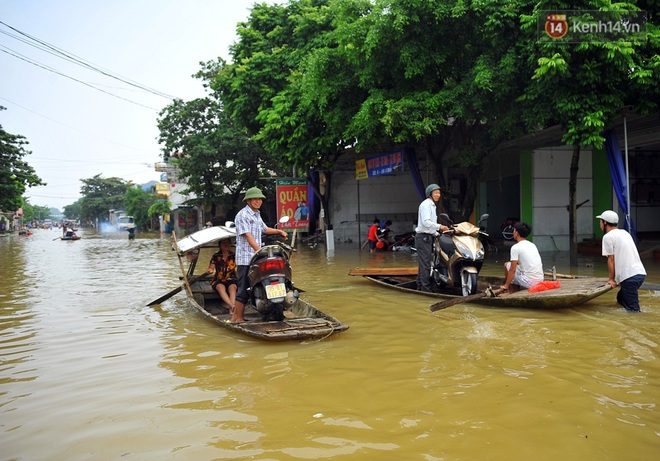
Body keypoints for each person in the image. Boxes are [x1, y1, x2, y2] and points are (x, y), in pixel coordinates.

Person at [230, 187, 288, 323]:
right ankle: (237, 318)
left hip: (257, 256)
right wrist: (258, 250)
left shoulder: (256, 214)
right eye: (255, 199)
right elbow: (247, 235)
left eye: (259, 199)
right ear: (248, 201)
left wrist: (279, 232)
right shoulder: (242, 215)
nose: (258, 201)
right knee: (243, 288)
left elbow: (265, 229)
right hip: (246, 258)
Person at [597, 210, 647, 312]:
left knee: (633, 310)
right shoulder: (625, 233)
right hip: (640, 273)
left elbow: (611, 259)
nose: (600, 224)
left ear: (605, 222)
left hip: (629, 277)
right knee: (621, 299)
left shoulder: (608, 237)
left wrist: (611, 279)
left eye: (601, 221)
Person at [415, 184, 449, 292]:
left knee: (423, 264)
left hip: (427, 237)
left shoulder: (432, 205)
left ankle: (419, 286)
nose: (438, 195)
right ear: (430, 194)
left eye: (439, 193)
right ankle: (426, 290)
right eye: (436, 193)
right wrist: (440, 226)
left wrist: (435, 233)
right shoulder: (426, 205)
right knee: (425, 265)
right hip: (423, 238)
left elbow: (429, 224)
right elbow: (425, 222)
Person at [501, 222, 544, 293]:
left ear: (516, 233)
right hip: (540, 280)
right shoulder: (532, 245)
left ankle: (511, 291)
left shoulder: (515, 248)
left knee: (506, 265)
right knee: (515, 267)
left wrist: (506, 285)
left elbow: (512, 270)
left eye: (514, 231)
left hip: (529, 283)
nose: (513, 232)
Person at [207, 238, 238, 312]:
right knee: (220, 287)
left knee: (233, 288)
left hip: (231, 278)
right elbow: (211, 268)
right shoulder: (216, 256)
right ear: (220, 245)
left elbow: (239, 267)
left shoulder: (234, 256)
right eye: (223, 243)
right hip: (218, 279)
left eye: (227, 243)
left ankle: (231, 310)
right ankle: (232, 306)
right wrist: (210, 270)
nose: (226, 244)